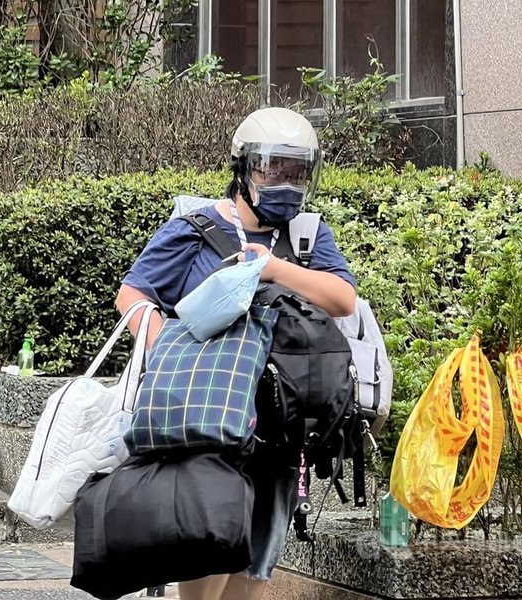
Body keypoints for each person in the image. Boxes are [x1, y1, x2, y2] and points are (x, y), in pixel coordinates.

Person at [115, 106, 357, 600]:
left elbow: (342, 298)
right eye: (274, 168)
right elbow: (133, 293)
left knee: (257, 564)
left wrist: (272, 268)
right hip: (208, 424)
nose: (285, 181)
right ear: (243, 168)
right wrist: (165, 350)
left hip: (280, 430)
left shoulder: (307, 236)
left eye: (297, 171)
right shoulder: (196, 226)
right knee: (209, 545)